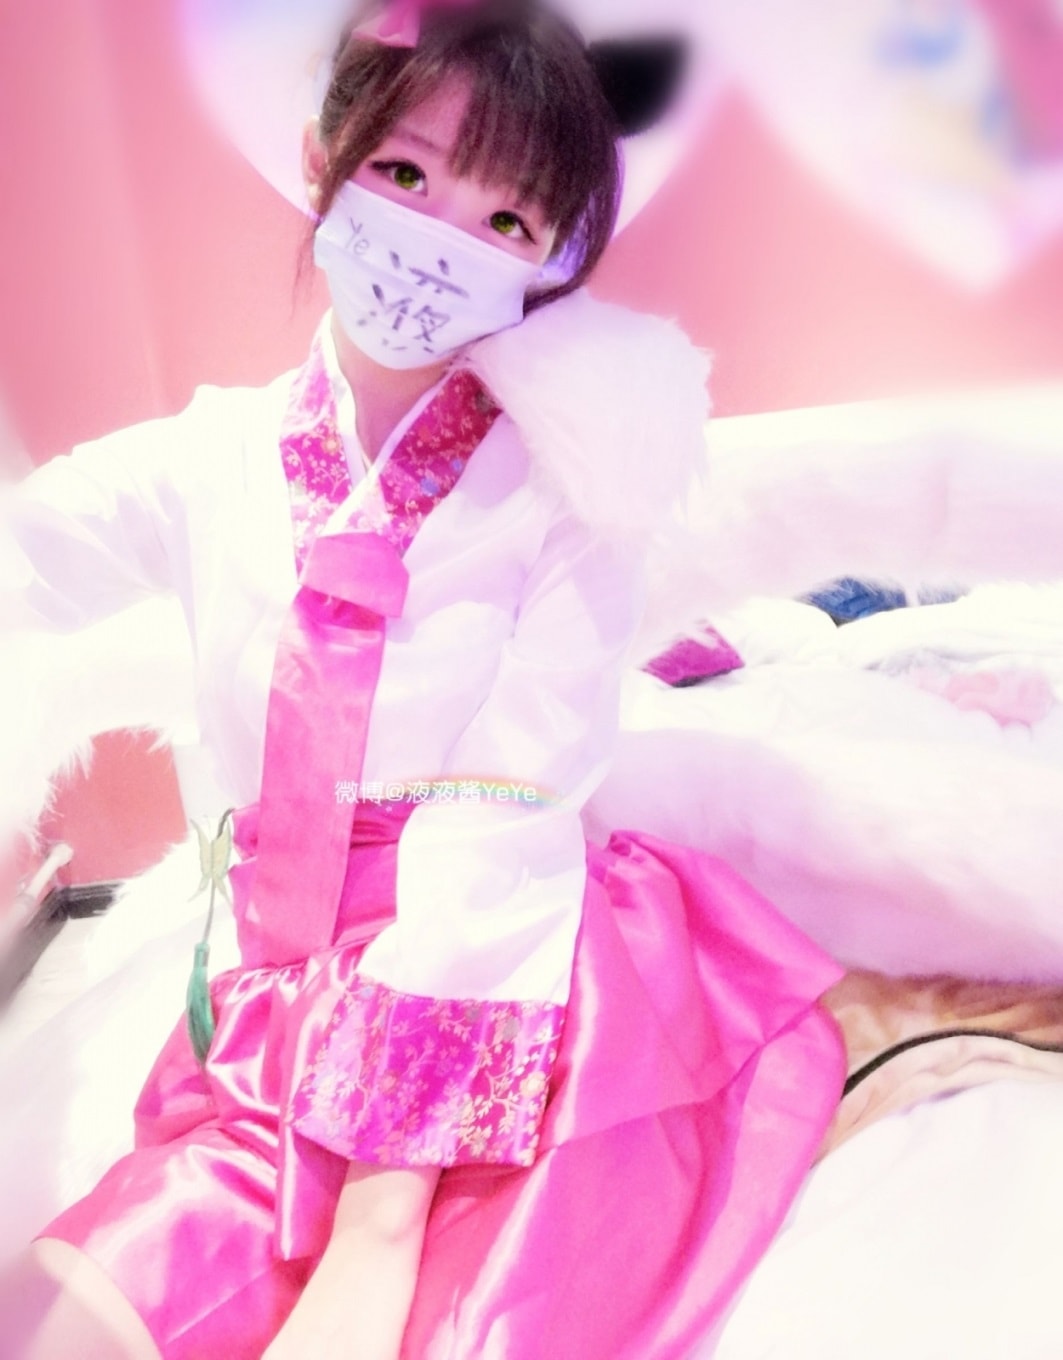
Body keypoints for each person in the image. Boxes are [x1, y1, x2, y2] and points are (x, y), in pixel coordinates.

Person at [0, 2, 845, 1357]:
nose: (443, 238)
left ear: (549, 261)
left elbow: (512, 801)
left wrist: (382, 1214)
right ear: (323, 157)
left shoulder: (566, 495)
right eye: (404, 172)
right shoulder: (208, 459)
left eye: (507, 218)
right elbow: (32, 556)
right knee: (76, 1315)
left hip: (489, 966)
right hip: (278, 982)